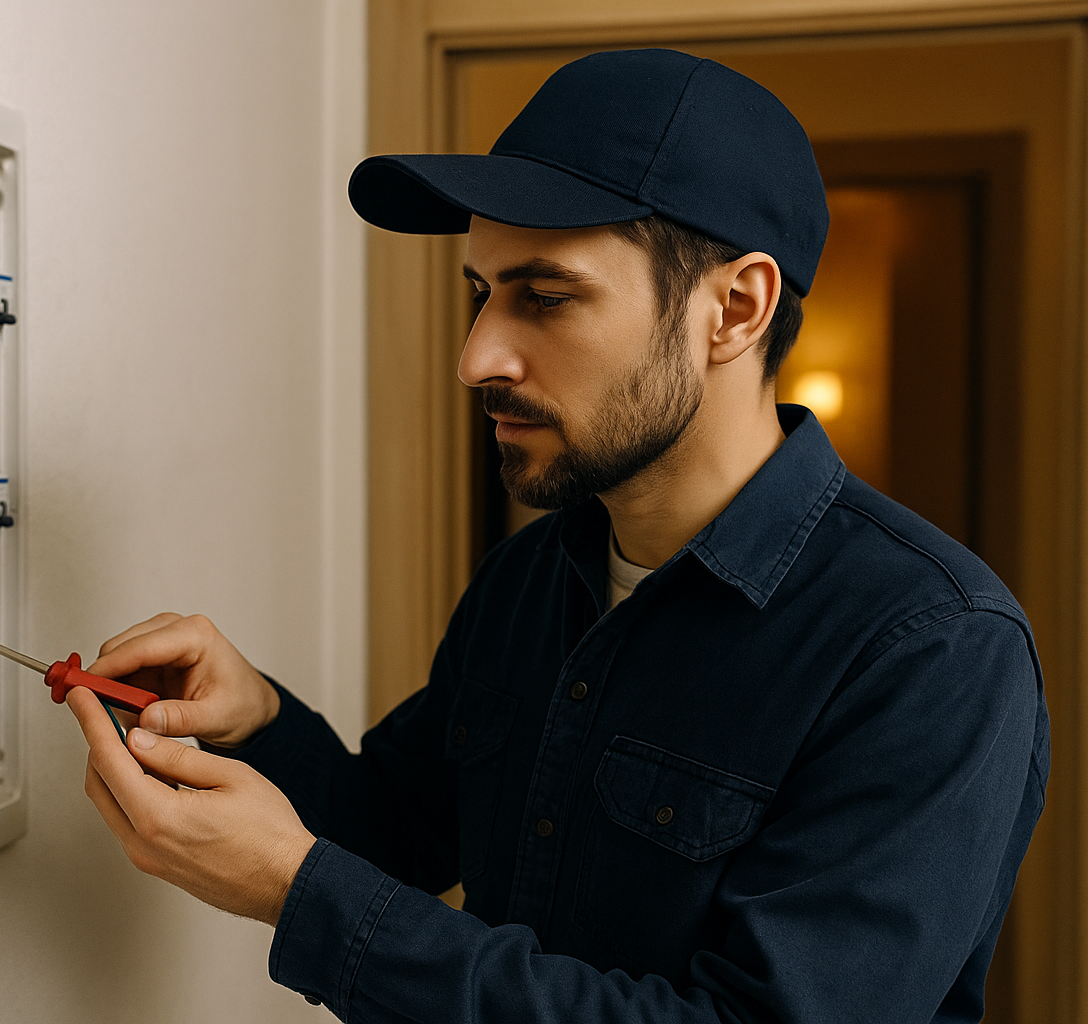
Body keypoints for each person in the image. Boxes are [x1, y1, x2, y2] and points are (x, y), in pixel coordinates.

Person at [63, 48, 1050, 1022]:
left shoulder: (932, 648)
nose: (476, 357)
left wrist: (298, 894)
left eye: (545, 298)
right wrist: (259, 722)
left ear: (734, 310)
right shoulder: (530, 575)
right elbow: (397, 829)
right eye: (481, 293)